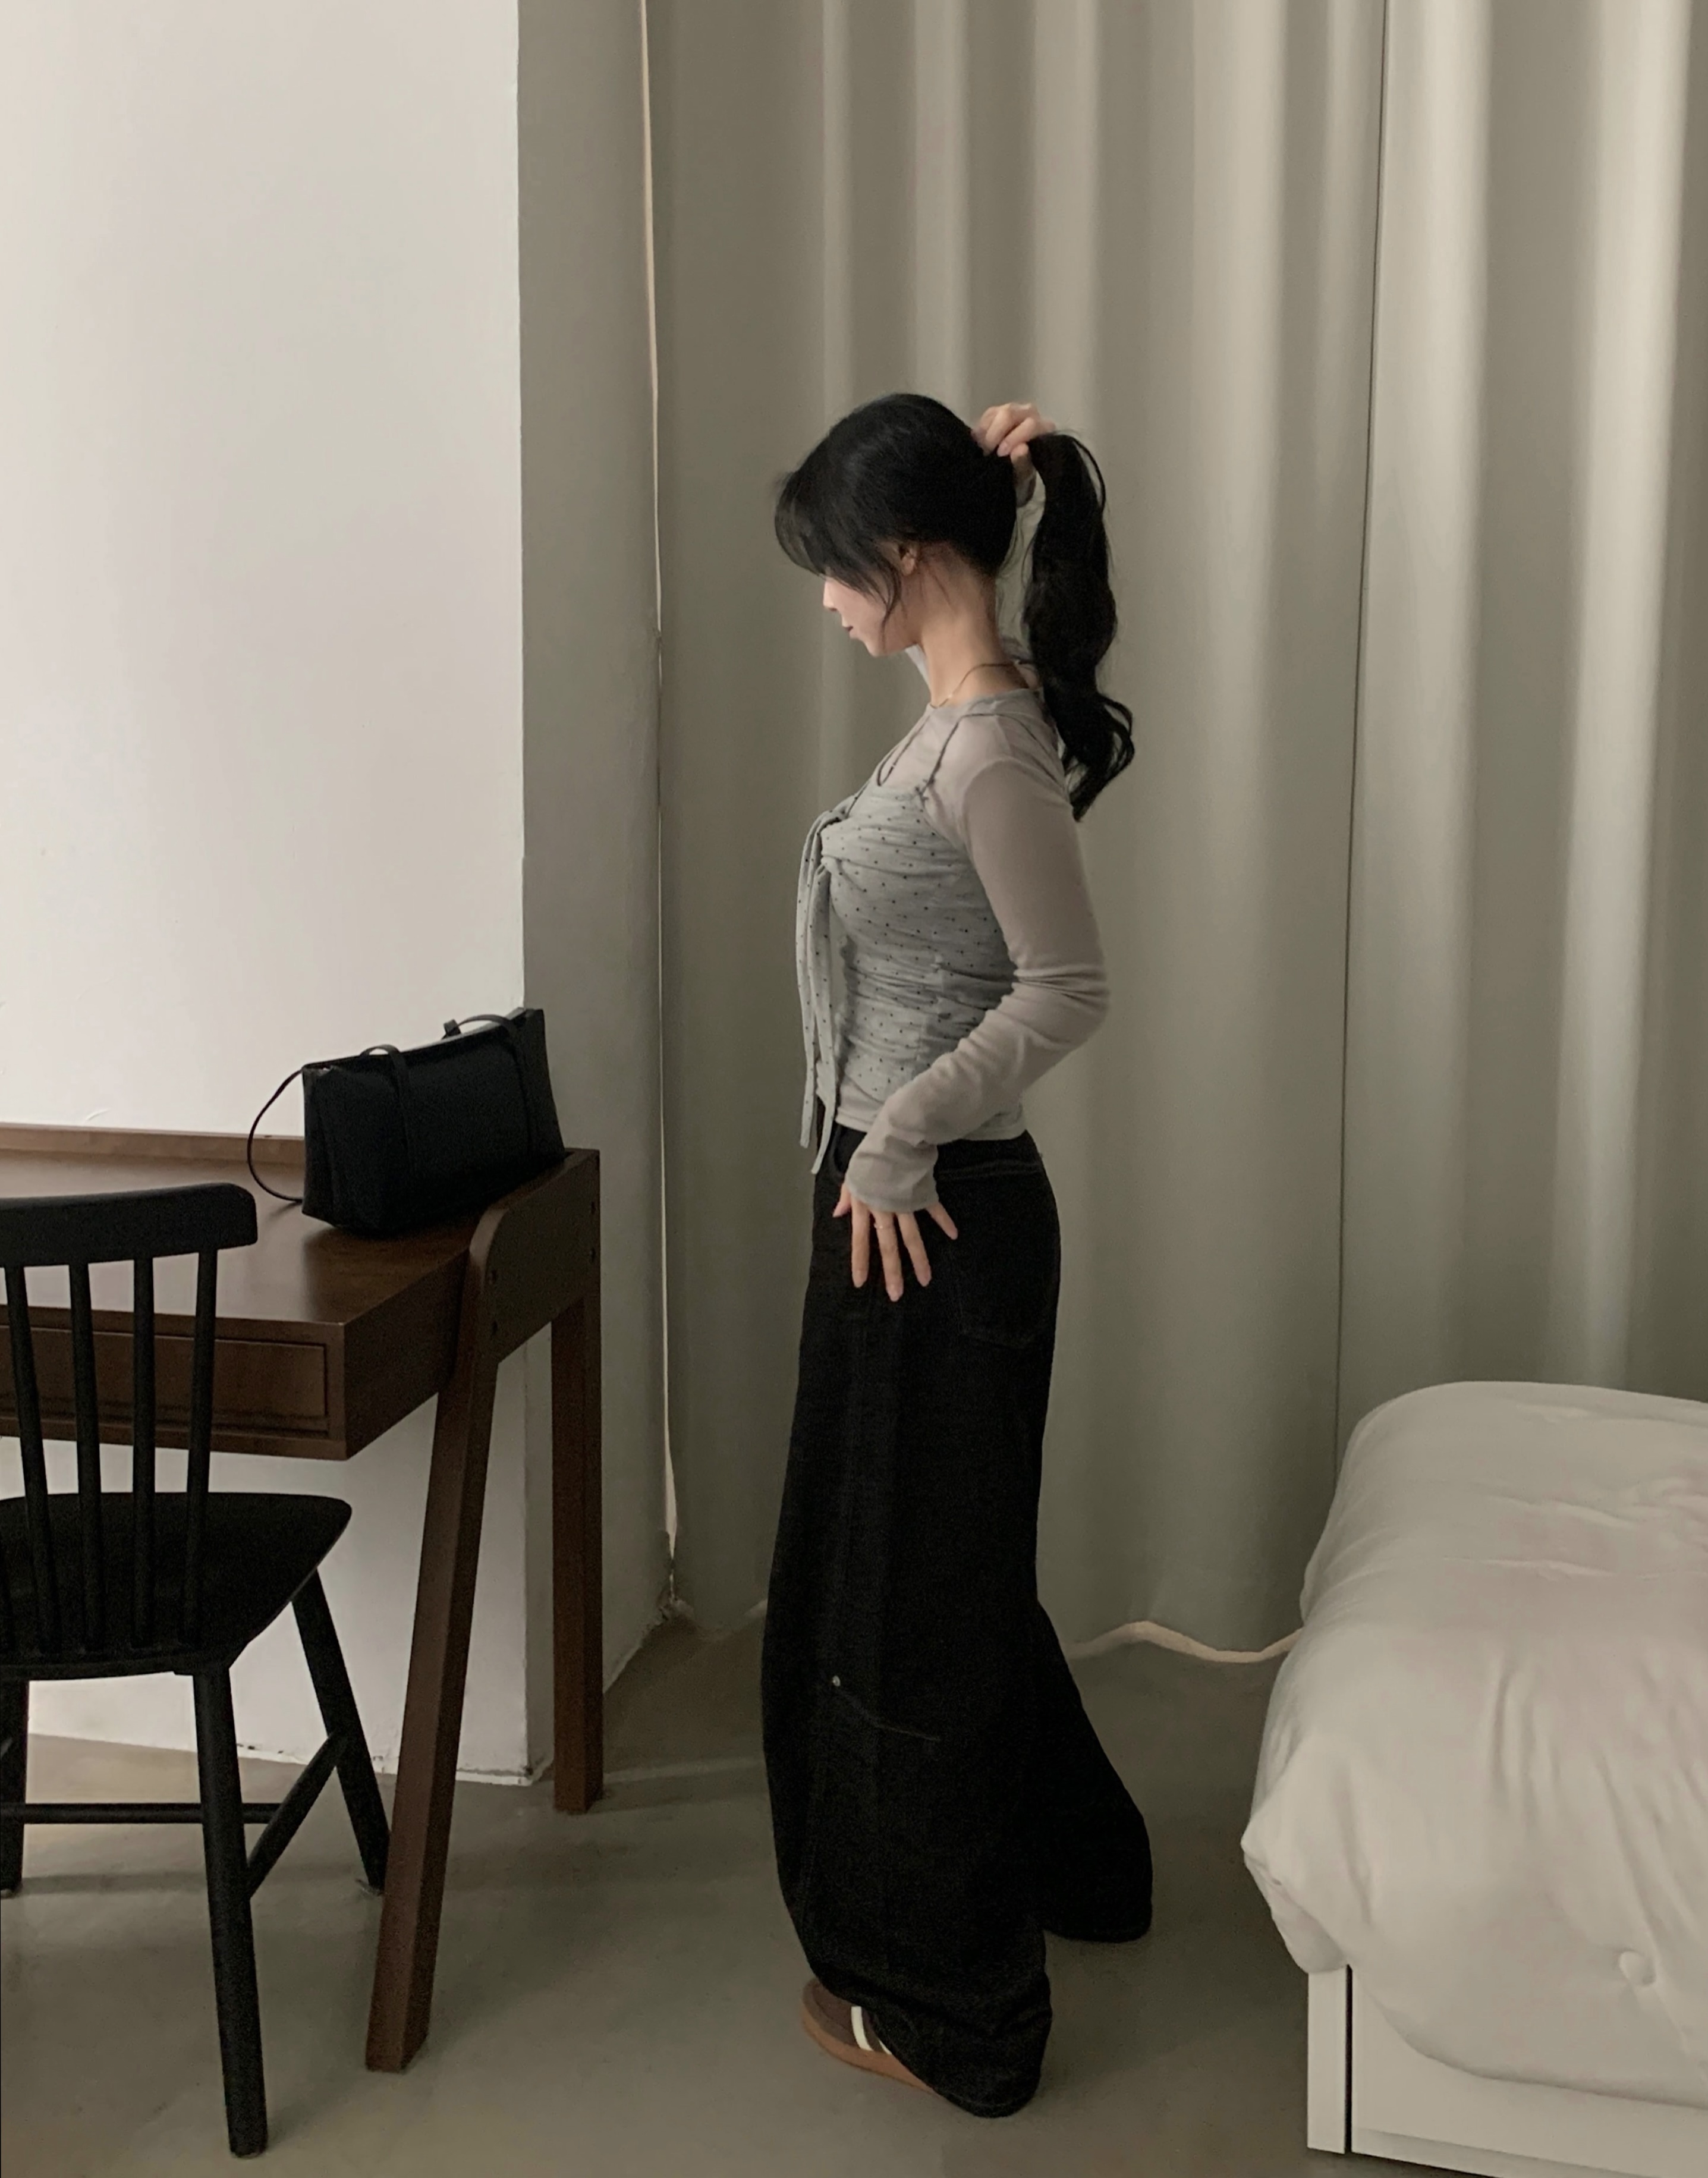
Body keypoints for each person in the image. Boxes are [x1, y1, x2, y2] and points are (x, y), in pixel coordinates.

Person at [760, 392, 1152, 2119]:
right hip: (902, 1200)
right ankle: (1082, 1866)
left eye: (836, 568)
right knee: (935, 1571)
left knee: (905, 1604)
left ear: (908, 557)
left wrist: (903, 1131)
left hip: (938, 1216)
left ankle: (958, 2012)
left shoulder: (988, 746)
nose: (825, 601)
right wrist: (1004, 466)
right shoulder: (965, 722)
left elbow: (1070, 987)